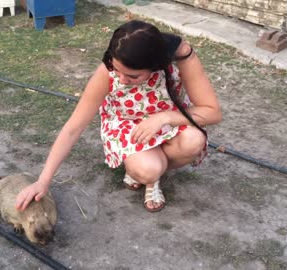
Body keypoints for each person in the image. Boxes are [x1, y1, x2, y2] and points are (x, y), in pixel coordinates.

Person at [15, 20, 222, 212]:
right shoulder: (108, 70)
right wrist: (43, 181)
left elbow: (212, 111)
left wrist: (164, 118)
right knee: (149, 169)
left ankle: (149, 166)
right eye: (117, 70)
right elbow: (74, 127)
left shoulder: (181, 56)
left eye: (133, 76)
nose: (121, 80)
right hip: (127, 124)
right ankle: (147, 173)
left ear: (156, 66)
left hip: (169, 120)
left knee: (194, 140)